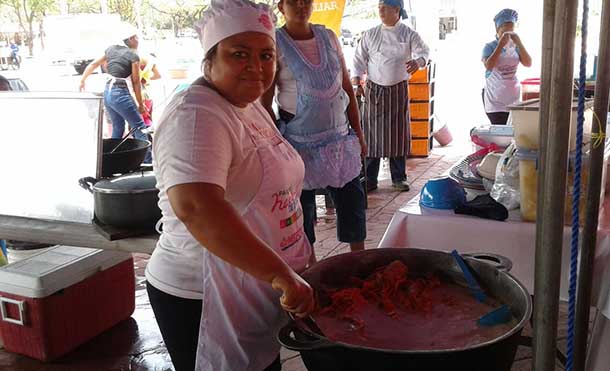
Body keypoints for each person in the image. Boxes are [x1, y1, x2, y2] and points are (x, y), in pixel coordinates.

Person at [146, 1, 315, 370]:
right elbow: (197, 208)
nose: (256, 67)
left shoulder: (247, 103)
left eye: (266, 55)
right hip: (203, 294)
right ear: (209, 59)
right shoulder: (196, 114)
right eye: (239, 54)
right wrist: (278, 272)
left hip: (250, 283)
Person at [262, 0, 368, 257]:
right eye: (293, 1)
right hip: (297, 145)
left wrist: (359, 134)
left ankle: (359, 261)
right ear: (281, 7)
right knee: (302, 213)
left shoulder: (329, 37)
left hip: (340, 141)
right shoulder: (274, 43)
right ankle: (310, 268)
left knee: (353, 207)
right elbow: (265, 103)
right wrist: (275, 148)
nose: (301, 6)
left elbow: (347, 89)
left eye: (306, 0)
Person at [352, 0, 429, 192]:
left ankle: (398, 177)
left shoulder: (408, 34)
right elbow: (358, 59)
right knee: (371, 135)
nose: (381, 11)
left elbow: (424, 52)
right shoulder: (371, 34)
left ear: (397, 10)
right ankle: (369, 178)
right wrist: (356, 82)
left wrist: (418, 61)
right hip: (374, 91)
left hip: (397, 91)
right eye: (379, 7)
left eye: (385, 7)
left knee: (398, 135)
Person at [79, 24, 152, 162]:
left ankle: (112, 159)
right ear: (130, 39)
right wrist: (141, 105)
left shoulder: (111, 50)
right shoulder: (133, 55)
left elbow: (93, 64)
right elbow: (136, 81)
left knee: (118, 126)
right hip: (120, 93)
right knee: (140, 127)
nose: (138, 40)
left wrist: (83, 80)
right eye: (136, 37)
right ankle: (147, 161)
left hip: (108, 92)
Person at [482, 8, 532, 125]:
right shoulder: (489, 46)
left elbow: (528, 63)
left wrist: (519, 43)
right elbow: (488, 66)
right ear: (497, 30)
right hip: (495, 102)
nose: (508, 37)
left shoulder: (516, 46)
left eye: (511, 33)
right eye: (504, 33)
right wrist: (500, 46)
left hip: (513, 99)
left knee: (512, 134)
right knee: (501, 132)